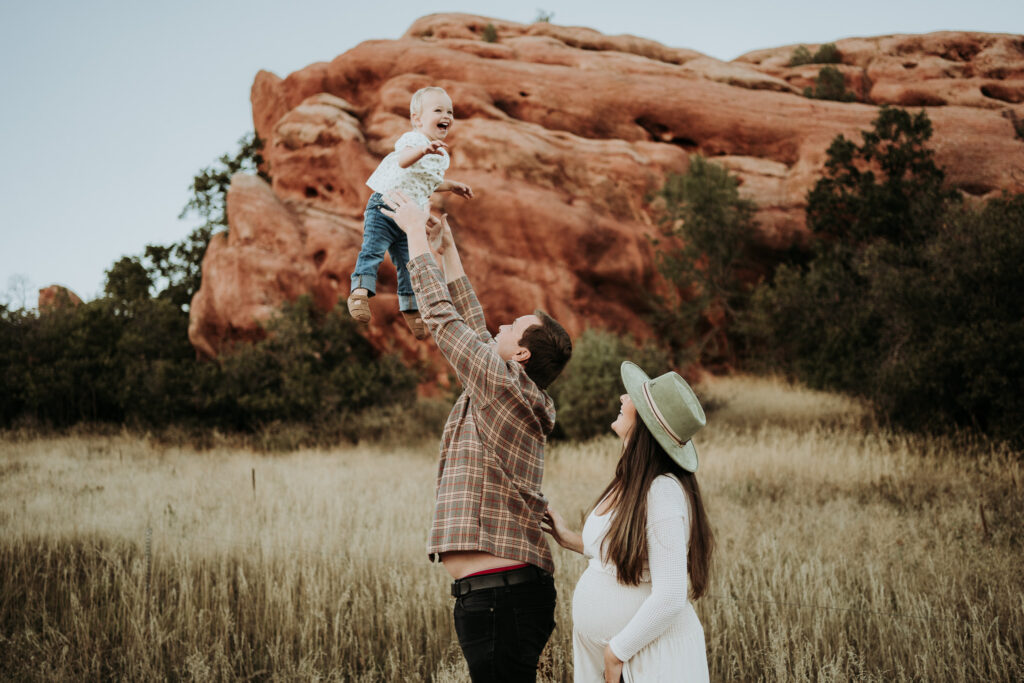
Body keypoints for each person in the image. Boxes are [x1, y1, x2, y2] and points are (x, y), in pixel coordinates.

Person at [381, 191, 573, 682]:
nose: (502, 325)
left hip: (500, 598)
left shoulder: (505, 385)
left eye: (514, 326)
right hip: (501, 595)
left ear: (523, 356)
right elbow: (473, 326)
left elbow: (446, 322)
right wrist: (447, 250)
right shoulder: (506, 382)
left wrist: (413, 240)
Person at [543, 362, 714, 683]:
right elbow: (629, 549)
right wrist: (568, 538)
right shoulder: (633, 481)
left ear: (648, 424)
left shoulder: (661, 492)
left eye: (633, 396)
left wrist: (616, 652)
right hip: (626, 660)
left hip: (652, 660)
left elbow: (671, 595)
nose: (623, 397)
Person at [347, 86, 473, 339]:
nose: (446, 115)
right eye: (438, 110)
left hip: (409, 219)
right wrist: (423, 150)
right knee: (373, 249)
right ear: (417, 119)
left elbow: (429, 181)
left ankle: (410, 306)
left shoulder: (440, 154)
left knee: (409, 264)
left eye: (450, 111)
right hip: (385, 206)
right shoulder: (413, 140)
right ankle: (360, 292)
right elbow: (404, 161)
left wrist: (452, 186)